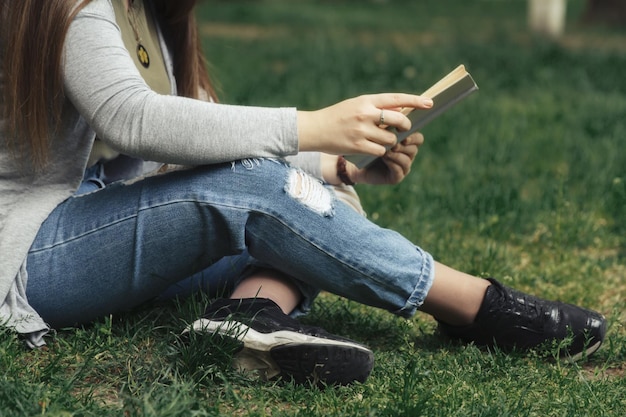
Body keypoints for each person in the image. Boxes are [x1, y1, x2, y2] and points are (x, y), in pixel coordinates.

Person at [0, 0, 607, 386]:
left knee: (312, 195)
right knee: (268, 191)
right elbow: (134, 120)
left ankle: (246, 316)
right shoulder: (73, 8)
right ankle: (478, 308)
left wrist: (338, 164)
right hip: (33, 253)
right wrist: (309, 123)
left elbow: (207, 131)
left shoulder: (151, 17)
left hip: (100, 233)